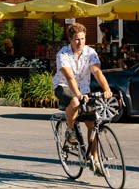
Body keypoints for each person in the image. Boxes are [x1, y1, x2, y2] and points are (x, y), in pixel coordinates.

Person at [52, 23, 113, 177]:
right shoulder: (63, 54)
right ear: (70, 40)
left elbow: (97, 73)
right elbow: (69, 77)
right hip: (63, 86)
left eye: (83, 39)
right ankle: (70, 130)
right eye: (77, 39)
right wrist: (78, 94)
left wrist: (106, 89)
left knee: (93, 124)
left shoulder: (90, 52)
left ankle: (95, 160)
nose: (80, 43)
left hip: (84, 90)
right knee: (75, 102)